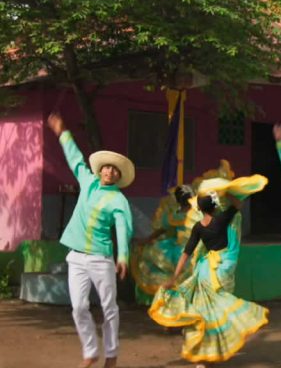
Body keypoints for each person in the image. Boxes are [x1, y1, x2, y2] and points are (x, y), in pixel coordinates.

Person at [149, 176, 269, 366]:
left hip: (205, 271)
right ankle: (214, 350)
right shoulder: (222, 219)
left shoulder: (198, 227)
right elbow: (239, 204)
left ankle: (204, 355)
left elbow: (186, 253)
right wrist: (228, 190)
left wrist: (174, 277)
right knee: (217, 310)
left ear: (200, 209)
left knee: (205, 311)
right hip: (221, 268)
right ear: (214, 206)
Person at [47, 112, 134, 368]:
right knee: (78, 308)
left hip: (101, 259)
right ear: (101, 170)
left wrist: (123, 257)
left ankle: (112, 355)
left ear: (118, 176)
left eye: (114, 170)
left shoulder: (119, 201)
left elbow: (123, 229)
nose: (109, 171)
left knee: (109, 308)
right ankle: (90, 351)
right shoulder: (88, 182)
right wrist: (62, 131)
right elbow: (75, 158)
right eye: (107, 167)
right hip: (76, 257)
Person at [132, 184, 195, 304]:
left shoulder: (192, 213)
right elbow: (162, 229)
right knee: (179, 275)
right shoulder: (175, 215)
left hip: (187, 248)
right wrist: (147, 239)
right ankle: (175, 301)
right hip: (181, 249)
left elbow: (162, 229)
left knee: (184, 275)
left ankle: (182, 301)